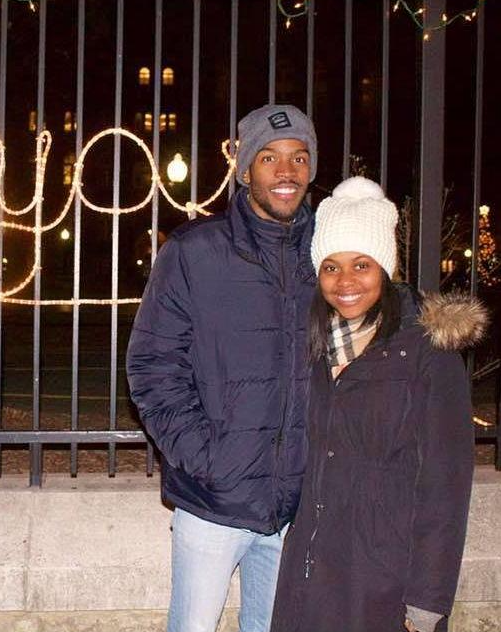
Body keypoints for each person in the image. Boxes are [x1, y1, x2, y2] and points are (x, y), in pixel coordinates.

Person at [126, 104, 318, 632]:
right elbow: (151, 365)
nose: (287, 171)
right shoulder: (195, 251)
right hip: (213, 501)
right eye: (269, 157)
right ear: (245, 169)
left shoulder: (328, 253)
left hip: (295, 506)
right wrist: (206, 457)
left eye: (299, 157)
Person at [270, 176, 486, 632]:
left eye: (361, 264)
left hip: (385, 585)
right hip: (310, 577)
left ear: (385, 268)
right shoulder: (314, 348)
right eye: (331, 266)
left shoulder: (426, 352)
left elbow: (446, 486)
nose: (345, 281)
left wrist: (428, 599)